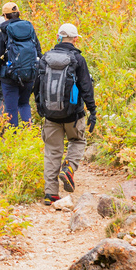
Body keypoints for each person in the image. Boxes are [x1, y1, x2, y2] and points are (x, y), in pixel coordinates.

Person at [34, 23, 97, 205]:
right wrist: (92, 110)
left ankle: (51, 194)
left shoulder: (45, 58)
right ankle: (69, 167)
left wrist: (41, 108)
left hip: (50, 115)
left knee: (52, 152)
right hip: (73, 115)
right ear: (75, 39)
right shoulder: (78, 59)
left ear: (58, 37)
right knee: (78, 140)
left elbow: (37, 86)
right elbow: (86, 87)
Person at [0, 2, 42, 128]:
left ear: (5, 16)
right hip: (29, 73)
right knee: (24, 104)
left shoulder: (3, 34)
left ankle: (14, 138)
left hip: (9, 77)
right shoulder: (30, 30)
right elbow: (38, 52)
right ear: (19, 14)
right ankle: (29, 134)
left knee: (11, 108)